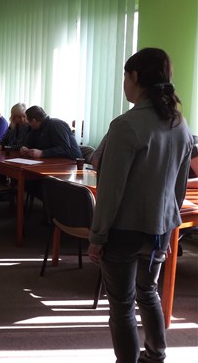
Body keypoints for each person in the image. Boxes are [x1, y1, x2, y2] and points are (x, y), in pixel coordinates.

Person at [88, 48, 193, 363]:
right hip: (159, 231)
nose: (124, 83)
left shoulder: (126, 125)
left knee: (122, 306)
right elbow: (178, 188)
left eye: (124, 76)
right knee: (148, 294)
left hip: (123, 231)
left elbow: (111, 191)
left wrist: (97, 236)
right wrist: (169, 228)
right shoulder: (180, 125)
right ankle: (156, 355)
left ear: (134, 77)